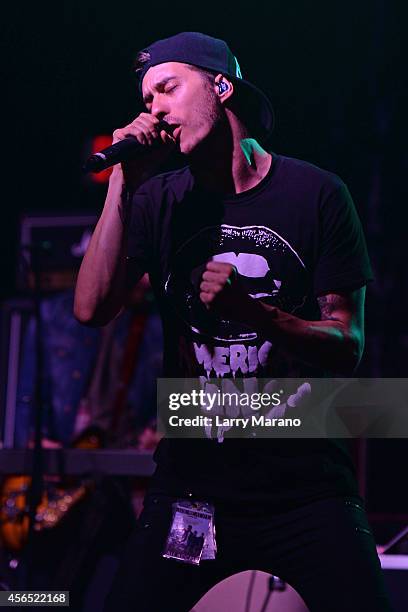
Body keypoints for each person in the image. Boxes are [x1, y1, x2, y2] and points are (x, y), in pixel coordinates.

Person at [74, 32, 392, 612]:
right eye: (147, 101)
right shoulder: (158, 200)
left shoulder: (316, 194)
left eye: (168, 88)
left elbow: (348, 343)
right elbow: (91, 309)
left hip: (307, 487)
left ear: (221, 87)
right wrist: (125, 178)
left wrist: (255, 314)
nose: (155, 110)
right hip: (193, 486)